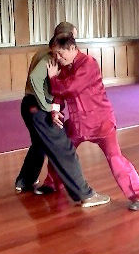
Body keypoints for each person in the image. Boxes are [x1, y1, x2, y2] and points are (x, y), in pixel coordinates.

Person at [45, 32, 139, 211]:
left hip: (101, 122)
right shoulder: (64, 68)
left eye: (60, 53)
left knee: (115, 158)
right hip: (78, 123)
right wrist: (55, 111)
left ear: (72, 48)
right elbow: (59, 95)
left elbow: (70, 88)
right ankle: (53, 183)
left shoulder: (88, 64)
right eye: (55, 54)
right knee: (61, 151)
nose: (58, 58)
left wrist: (52, 79)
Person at [14, 23, 110, 208]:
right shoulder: (52, 56)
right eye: (72, 38)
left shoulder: (43, 52)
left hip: (28, 105)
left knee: (40, 144)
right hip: (38, 107)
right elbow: (36, 79)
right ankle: (86, 195)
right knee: (64, 149)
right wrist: (49, 107)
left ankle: (24, 181)